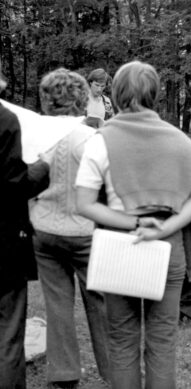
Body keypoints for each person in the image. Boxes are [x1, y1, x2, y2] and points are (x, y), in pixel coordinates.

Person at [75, 60, 191, 389]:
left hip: (121, 247)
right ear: (156, 95)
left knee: (121, 341)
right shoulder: (182, 143)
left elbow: (84, 204)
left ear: (117, 94)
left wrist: (133, 220)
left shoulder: (100, 140)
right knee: (163, 343)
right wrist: (166, 226)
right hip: (170, 247)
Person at [30, 68, 109, 388]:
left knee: (58, 302)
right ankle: (114, 368)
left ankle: (64, 373)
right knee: (100, 300)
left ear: (47, 101)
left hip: (45, 229)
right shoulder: (91, 137)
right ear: (81, 99)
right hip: (84, 230)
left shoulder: (35, 135)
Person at [0, 65, 50, 389]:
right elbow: (13, 183)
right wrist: (43, 167)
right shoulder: (5, 121)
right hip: (3, 239)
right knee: (9, 331)